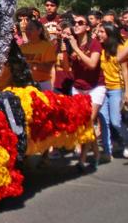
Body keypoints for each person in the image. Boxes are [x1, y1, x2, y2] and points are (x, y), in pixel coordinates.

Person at [64, 13, 104, 171]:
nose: (77, 25)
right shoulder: (71, 43)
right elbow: (67, 69)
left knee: (88, 121)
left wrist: (75, 48)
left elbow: (93, 64)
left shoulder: (94, 44)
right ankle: (96, 153)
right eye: (75, 23)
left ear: (88, 27)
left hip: (96, 87)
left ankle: (82, 159)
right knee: (82, 123)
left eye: (81, 22)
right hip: (78, 87)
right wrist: (65, 49)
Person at [95, 22, 128, 159]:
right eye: (99, 32)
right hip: (103, 88)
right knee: (104, 120)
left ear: (109, 34)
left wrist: (127, 92)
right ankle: (107, 152)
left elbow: (125, 71)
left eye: (102, 32)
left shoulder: (120, 49)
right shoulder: (100, 48)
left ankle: (126, 141)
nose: (99, 34)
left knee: (115, 121)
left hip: (116, 88)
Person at [20, 20, 57, 91]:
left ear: (39, 31)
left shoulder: (47, 46)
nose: (27, 31)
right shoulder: (22, 47)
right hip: (25, 84)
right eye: (26, 29)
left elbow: (50, 68)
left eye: (30, 29)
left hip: (42, 84)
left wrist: (32, 65)